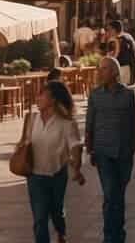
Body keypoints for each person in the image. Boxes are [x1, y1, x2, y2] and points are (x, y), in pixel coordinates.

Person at [20, 81, 85, 243]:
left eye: (42, 94)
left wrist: (76, 167)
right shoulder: (31, 119)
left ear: (53, 99)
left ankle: (61, 232)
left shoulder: (67, 123)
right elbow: (23, 142)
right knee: (40, 218)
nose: (38, 97)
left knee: (56, 211)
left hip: (57, 174)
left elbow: (76, 145)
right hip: (35, 176)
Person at [85, 57, 135, 243]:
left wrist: (132, 148)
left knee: (118, 195)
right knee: (110, 194)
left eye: (104, 69)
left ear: (114, 73)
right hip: (103, 152)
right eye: (98, 69)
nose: (99, 72)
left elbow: (134, 124)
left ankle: (119, 233)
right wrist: (90, 149)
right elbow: (89, 124)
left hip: (124, 153)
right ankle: (110, 237)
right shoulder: (94, 95)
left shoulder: (128, 95)